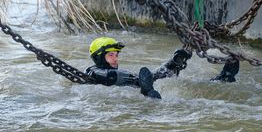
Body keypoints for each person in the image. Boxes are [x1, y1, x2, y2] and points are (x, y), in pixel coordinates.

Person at [85, 37, 239, 99]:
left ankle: (220, 80)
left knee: (163, 76)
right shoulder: (93, 72)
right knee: (153, 80)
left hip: (144, 85)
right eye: (111, 55)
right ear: (99, 57)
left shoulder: (118, 72)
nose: (115, 58)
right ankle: (147, 90)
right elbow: (109, 76)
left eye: (116, 55)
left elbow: (150, 76)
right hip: (139, 91)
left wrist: (174, 62)